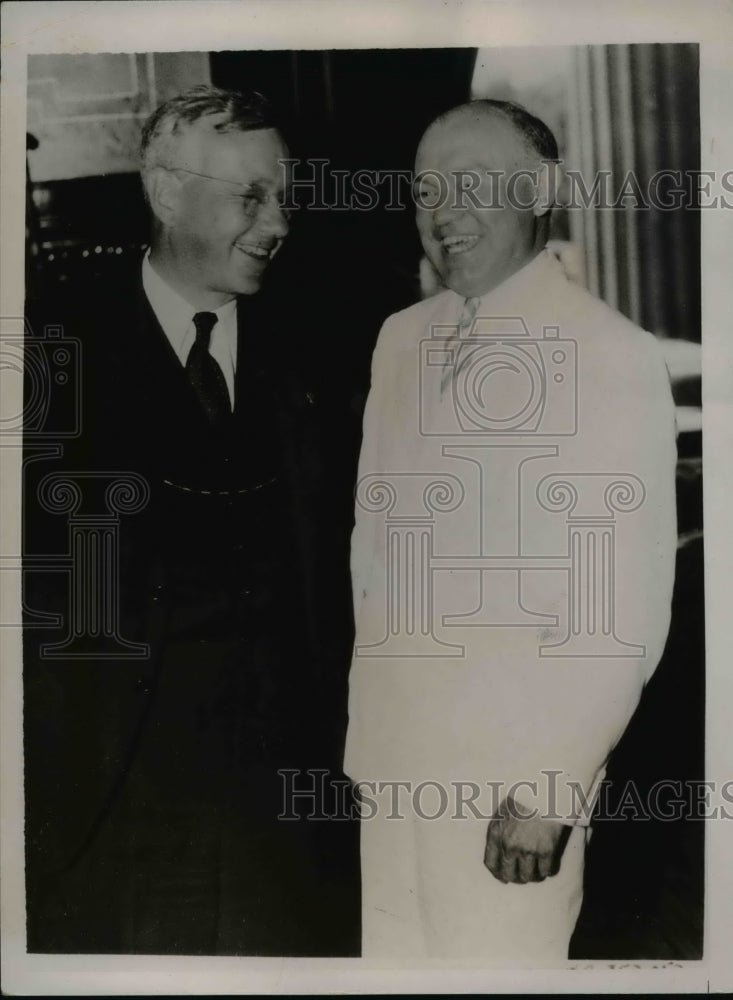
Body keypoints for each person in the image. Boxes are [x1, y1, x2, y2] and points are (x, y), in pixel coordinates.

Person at [23, 85, 358, 956]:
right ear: (167, 192)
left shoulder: (323, 342)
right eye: (250, 196)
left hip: (289, 813)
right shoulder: (52, 350)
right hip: (110, 803)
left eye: (284, 194)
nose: (277, 221)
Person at [345, 100, 677, 959]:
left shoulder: (609, 354)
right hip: (391, 774)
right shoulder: (399, 340)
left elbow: (621, 609)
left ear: (541, 191)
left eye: (470, 184)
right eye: (425, 191)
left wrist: (550, 787)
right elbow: (372, 555)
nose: (443, 212)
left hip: (508, 795)